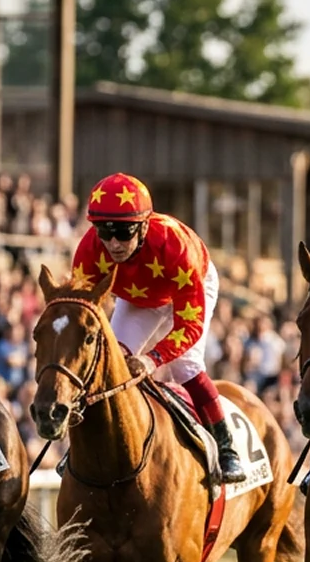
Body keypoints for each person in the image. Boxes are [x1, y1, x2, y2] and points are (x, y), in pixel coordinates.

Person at [67, 172, 246, 484]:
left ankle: (227, 448)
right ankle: (85, 448)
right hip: (136, 298)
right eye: (104, 231)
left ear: (144, 224)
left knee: (184, 366)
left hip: (190, 287)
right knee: (111, 363)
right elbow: (83, 309)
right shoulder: (88, 251)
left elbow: (189, 326)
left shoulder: (175, 246)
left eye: (123, 231)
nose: (112, 242)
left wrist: (152, 360)